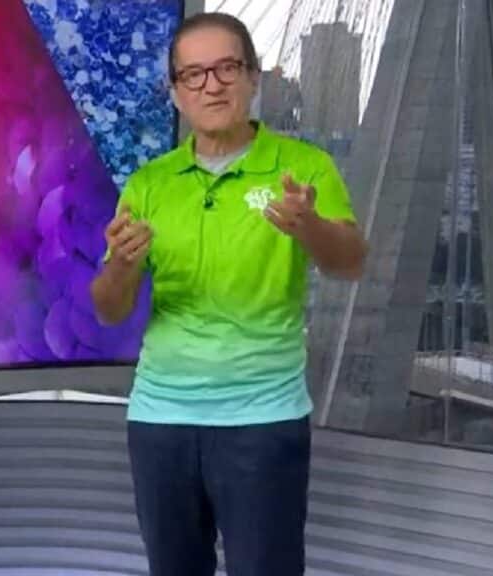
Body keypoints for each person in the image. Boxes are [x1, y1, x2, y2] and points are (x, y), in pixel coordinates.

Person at [90, 11, 367, 576]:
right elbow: (109, 309)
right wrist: (121, 265)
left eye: (225, 68)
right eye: (193, 74)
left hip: (263, 420)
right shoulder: (148, 183)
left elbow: (352, 264)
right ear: (175, 92)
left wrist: (309, 225)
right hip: (161, 421)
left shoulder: (303, 168)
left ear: (253, 77)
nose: (210, 85)